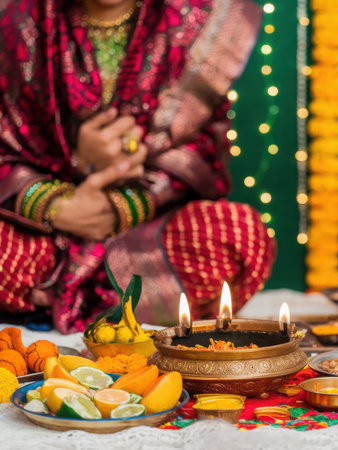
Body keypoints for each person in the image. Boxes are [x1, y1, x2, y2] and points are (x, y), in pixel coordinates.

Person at [0, 0, 276, 333]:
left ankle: (116, 311)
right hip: (45, 235)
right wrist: (60, 198)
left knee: (241, 234)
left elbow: (203, 148)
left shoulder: (199, 21)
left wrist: (125, 203)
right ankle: (123, 310)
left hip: (147, 236)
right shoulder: (15, 20)